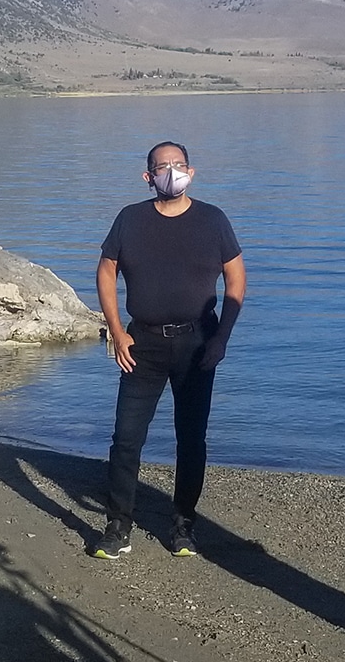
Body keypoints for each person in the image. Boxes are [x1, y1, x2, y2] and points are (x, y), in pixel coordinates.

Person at [93, 141, 246, 560]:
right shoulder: (131, 219)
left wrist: (221, 339)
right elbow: (106, 273)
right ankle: (118, 524)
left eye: (178, 165)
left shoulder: (213, 220)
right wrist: (116, 331)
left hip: (198, 343)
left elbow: (236, 281)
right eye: (162, 167)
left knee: (191, 439)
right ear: (148, 177)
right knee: (126, 438)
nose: (171, 172)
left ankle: (183, 525)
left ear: (191, 172)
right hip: (142, 343)